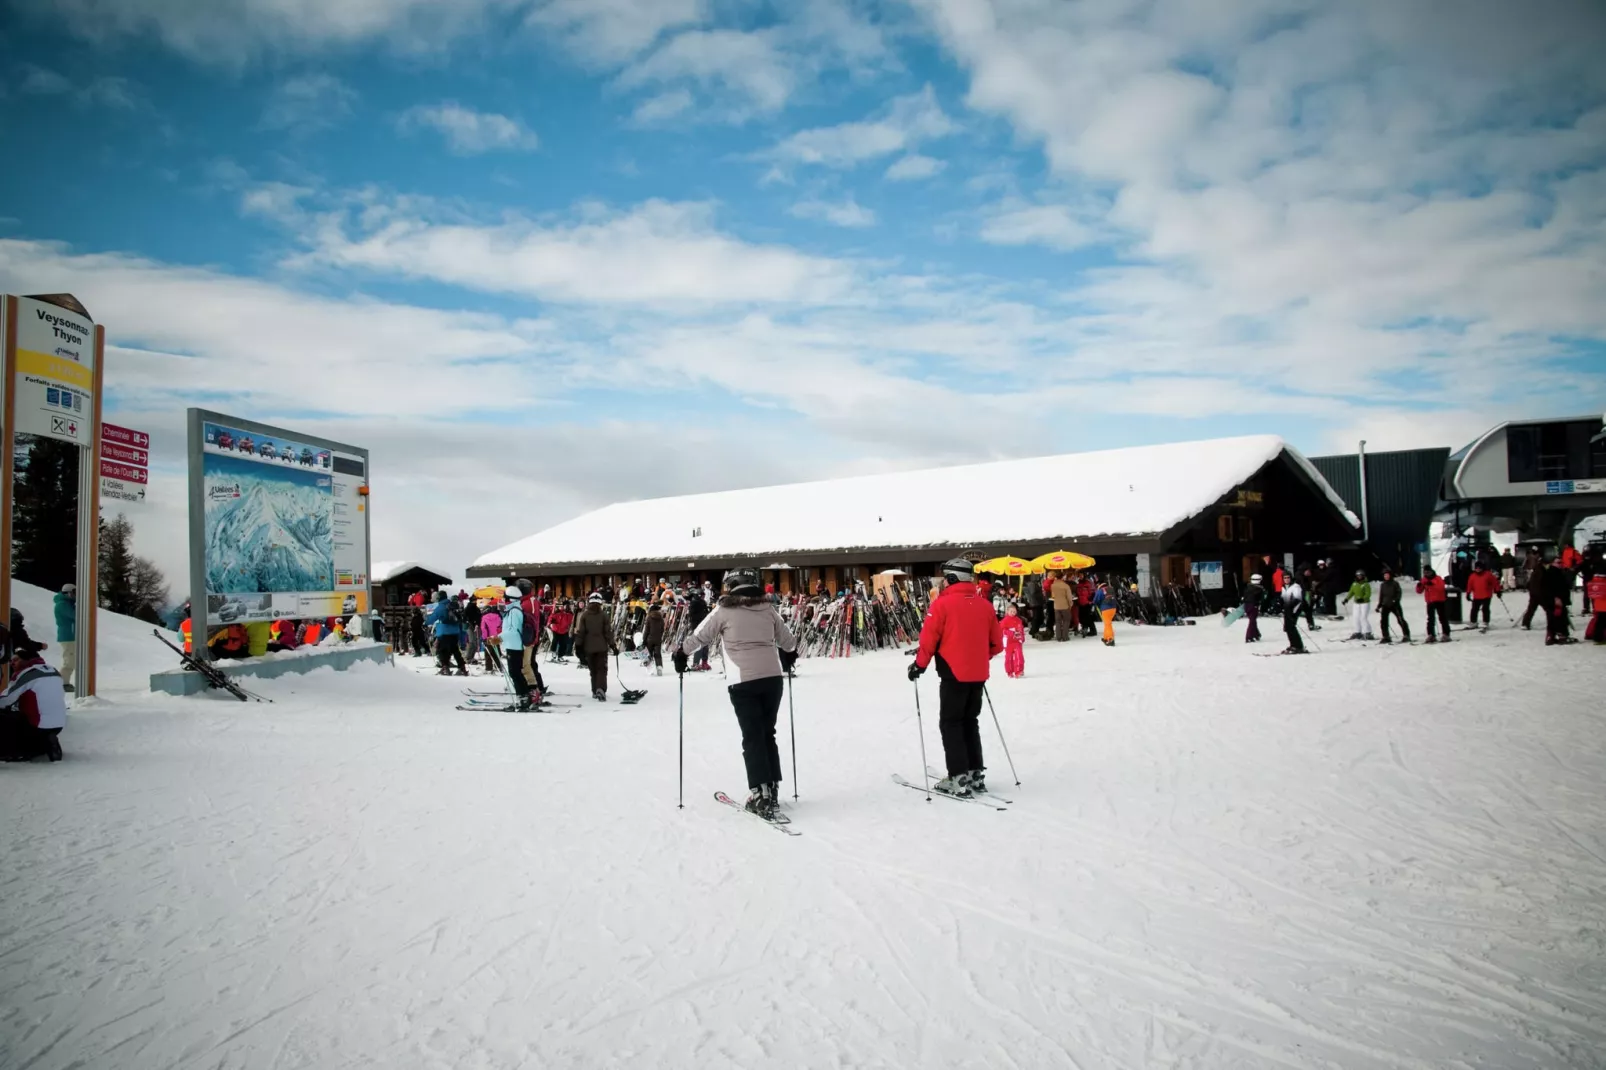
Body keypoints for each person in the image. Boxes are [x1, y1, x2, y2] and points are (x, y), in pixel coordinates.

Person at [674, 568, 799, 818]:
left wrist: (681, 654)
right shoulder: (768, 609)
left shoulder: (723, 610)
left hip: (743, 680)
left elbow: (700, 636)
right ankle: (772, 788)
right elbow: (789, 642)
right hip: (772, 679)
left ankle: (759, 792)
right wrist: (788, 654)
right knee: (767, 733)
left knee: (752, 735)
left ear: (731, 586)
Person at [906, 558, 1002, 798]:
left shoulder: (942, 605)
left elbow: (929, 640)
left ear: (951, 579)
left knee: (951, 723)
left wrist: (919, 665)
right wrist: (978, 659)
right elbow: (997, 644)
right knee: (970, 721)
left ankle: (958, 776)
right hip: (978, 674)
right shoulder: (984, 605)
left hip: (953, 673)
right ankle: (974, 772)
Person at [1, 639, 66, 762]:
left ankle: (16, 752)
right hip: (59, 725)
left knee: (5, 718)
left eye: (16, 660)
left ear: (27, 659)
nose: (12, 663)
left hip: (36, 725)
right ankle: (47, 743)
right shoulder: (54, 671)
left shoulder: (27, 674)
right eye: (11, 661)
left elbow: (7, 699)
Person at [573, 593, 617, 700]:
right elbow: (608, 633)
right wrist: (613, 645)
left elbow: (581, 632)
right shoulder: (604, 615)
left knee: (593, 670)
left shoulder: (585, 615)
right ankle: (600, 689)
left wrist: (578, 646)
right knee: (601, 669)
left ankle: (594, 690)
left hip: (588, 648)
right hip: (602, 647)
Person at [500, 587, 534, 710]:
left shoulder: (514, 611)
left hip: (514, 645)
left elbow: (513, 631)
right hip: (512, 645)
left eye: (505, 598)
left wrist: (499, 637)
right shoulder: (512, 610)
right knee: (515, 673)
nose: (504, 600)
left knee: (515, 673)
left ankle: (524, 698)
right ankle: (523, 697)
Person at [426, 591, 467, 676]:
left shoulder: (440, 607)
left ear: (439, 598)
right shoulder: (453, 605)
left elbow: (433, 617)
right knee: (455, 650)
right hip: (455, 632)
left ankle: (445, 668)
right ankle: (462, 668)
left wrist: (425, 623)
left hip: (444, 632)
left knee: (442, 651)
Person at [1541, 557, 1575, 645]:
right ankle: (1562, 636)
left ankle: (1551, 637)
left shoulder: (1558, 572)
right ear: (1553, 563)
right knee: (1559, 618)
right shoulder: (1552, 573)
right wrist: (1556, 598)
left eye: (1561, 562)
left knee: (1553, 618)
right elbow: (1551, 587)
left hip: (1553, 599)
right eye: (1558, 563)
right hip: (1555, 600)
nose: (1560, 564)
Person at [1417, 567, 1451, 643]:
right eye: (1425, 573)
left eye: (1428, 572)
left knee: (1442, 618)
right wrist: (1419, 585)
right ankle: (1431, 635)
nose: (1426, 574)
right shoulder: (1424, 579)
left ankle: (1446, 634)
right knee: (1430, 619)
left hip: (1439, 600)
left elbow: (1440, 588)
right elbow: (1419, 591)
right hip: (1430, 601)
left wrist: (1432, 584)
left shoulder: (1438, 578)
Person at [1464, 561, 1500, 632]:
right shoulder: (1472, 576)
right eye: (1476, 568)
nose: (1478, 569)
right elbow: (1469, 585)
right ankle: (1473, 622)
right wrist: (1468, 593)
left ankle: (1486, 622)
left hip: (1486, 595)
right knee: (1474, 609)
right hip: (1477, 595)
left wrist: (1498, 590)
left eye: (1479, 568)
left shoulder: (1488, 575)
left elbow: (1495, 583)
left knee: (1485, 609)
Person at [1376, 568, 1410, 644]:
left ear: (1390, 575)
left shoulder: (1395, 583)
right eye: (1385, 575)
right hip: (1385, 605)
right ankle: (1386, 636)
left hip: (1395, 604)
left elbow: (1399, 593)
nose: (1386, 576)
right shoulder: (1383, 585)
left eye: (1387, 575)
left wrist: (1396, 600)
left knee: (1400, 619)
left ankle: (1406, 635)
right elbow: (1381, 596)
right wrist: (1379, 605)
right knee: (1383, 621)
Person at [54, 583, 76, 693]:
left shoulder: (68, 603)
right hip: (68, 636)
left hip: (71, 635)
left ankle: (64, 682)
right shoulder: (62, 604)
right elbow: (75, 615)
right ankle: (63, 683)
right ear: (68, 593)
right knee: (69, 661)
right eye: (74, 593)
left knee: (71, 660)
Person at [1342, 569, 1374, 640]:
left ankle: (1368, 632)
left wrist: (1363, 598)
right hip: (1356, 603)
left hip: (1365, 603)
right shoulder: (1354, 584)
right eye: (1358, 576)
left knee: (1363, 618)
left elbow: (1368, 594)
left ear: (1363, 576)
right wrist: (1346, 599)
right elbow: (1351, 592)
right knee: (1356, 617)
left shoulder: (1366, 584)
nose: (1359, 577)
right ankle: (1358, 632)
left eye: (1360, 575)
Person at [1520, 555, 1548, 630]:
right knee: (1549, 609)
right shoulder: (1542, 571)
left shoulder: (1535, 570)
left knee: (1531, 609)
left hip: (1534, 594)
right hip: (1541, 594)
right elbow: (1544, 583)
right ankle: (1554, 623)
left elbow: (1528, 583)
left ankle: (1525, 624)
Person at [1280, 576, 1307, 654]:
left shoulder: (1296, 587)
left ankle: (1298, 646)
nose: (1286, 579)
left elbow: (1298, 598)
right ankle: (1293, 644)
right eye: (1285, 578)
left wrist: (1290, 607)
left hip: (1294, 609)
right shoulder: (1283, 587)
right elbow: (1283, 598)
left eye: (1288, 578)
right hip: (1287, 610)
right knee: (1287, 628)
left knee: (1291, 627)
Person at [687, 588, 712, 670]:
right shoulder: (696, 603)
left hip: (702, 626)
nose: (703, 596)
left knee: (703, 644)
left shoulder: (700, 603)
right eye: (702, 595)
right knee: (700, 645)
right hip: (699, 626)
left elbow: (703, 614)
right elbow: (693, 616)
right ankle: (697, 663)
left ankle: (703, 662)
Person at [1001, 603, 1026, 677]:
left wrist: (1022, 638)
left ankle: (1019, 670)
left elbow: (1021, 629)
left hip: (1017, 641)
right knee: (1009, 657)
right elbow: (1002, 630)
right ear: (1007, 612)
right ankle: (1010, 671)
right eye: (1011, 611)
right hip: (1008, 641)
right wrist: (1011, 633)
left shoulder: (1018, 620)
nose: (1013, 613)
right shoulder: (1004, 621)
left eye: (1014, 612)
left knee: (1019, 655)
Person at [479, 601, 504, 674]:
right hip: (496, 636)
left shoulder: (484, 618)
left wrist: (484, 638)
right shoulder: (497, 616)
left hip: (488, 637)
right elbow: (500, 625)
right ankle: (498, 666)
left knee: (488, 653)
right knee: (496, 652)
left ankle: (489, 668)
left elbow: (484, 629)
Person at [1049, 572, 1074, 641]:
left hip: (1056, 606)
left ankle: (1058, 637)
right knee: (1066, 621)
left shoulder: (1053, 585)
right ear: (1062, 577)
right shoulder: (1066, 586)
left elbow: (1053, 596)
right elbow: (1069, 597)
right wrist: (1070, 604)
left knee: (1058, 622)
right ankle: (1065, 637)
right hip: (1065, 606)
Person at [1093, 580, 1118, 646]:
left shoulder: (1100, 590)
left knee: (1107, 624)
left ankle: (1110, 639)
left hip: (1105, 609)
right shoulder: (1111, 589)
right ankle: (1106, 637)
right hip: (1113, 608)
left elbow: (1095, 600)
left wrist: (1096, 604)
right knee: (1108, 623)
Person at [643, 602, 666, 676]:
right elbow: (662, 629)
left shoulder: (649, 618)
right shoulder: (661, 618)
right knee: (658, 654)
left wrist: (644, 640)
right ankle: (659, 667)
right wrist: (660, 636)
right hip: (658, 639)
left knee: (649, 654)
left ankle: (650, 669)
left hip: (649, 639)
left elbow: (646, 630)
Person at [1585, 569, 1606, 645]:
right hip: (1604, 605)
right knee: (1603, 622)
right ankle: (1599, 638)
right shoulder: (1604, 582)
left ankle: (1597, 637)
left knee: (1599, 622)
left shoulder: (1594, 581)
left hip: (1598, 605)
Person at [1242, 574, 1264, 643]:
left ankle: (1256, 634)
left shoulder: (1248, 587)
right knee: (1252, 622)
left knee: (1253, 621)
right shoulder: (1259, 589)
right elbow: (1261, 599)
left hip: (1247, 606)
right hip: (1254, 606)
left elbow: (1244, 597)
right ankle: (1249, 637)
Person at [1022, 572, 1045, 639]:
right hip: (1036, 603)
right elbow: (1032, 593)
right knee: (1037, 618)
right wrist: (1040, 596)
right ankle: (1034, 631)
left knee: (1038, 617)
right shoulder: (1032, 584)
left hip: (1036, 603)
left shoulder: (1032, 584)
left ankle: (1034, 630)